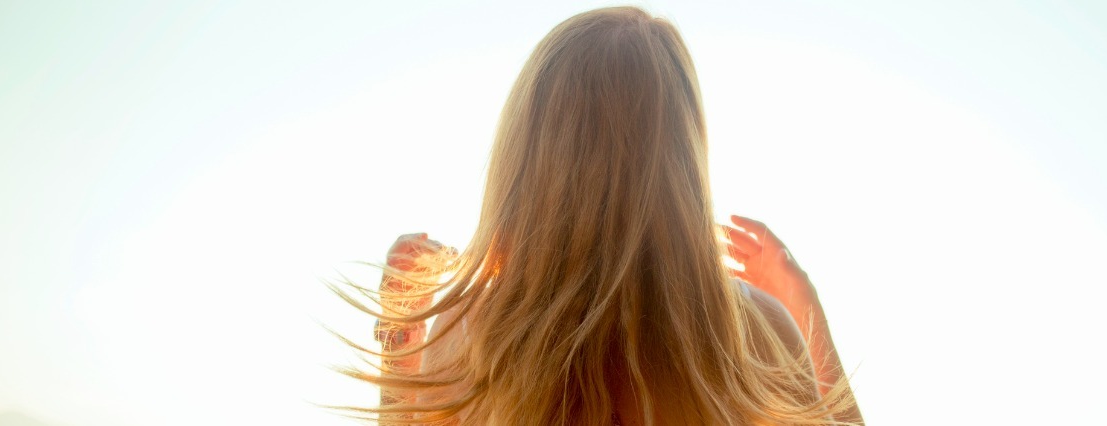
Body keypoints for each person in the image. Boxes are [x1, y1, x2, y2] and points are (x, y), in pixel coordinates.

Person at [334, 6, 862, 425]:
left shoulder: (471, 328)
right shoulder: (751, 330)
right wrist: (800, 301)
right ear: (683, 169)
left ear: (522, 164)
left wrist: (399, 334)